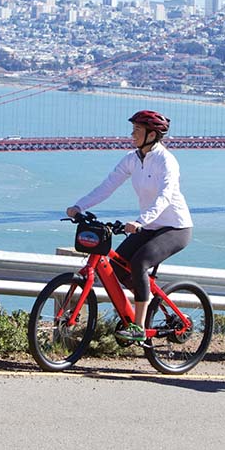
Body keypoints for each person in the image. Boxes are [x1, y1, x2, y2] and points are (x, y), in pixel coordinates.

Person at [66, 110, 193, 342]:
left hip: (175, 228)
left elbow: (163, 198)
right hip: (149, 226)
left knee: (139, 262)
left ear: (152, 134)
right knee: (116, 266)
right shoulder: (132, 159)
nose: (132, 134)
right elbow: (107, 186)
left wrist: (139, 222)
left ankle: (139, 327)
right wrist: (79, 206)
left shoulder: (167, 162)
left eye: (137, 130)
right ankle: (146, 304)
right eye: (133, 129)